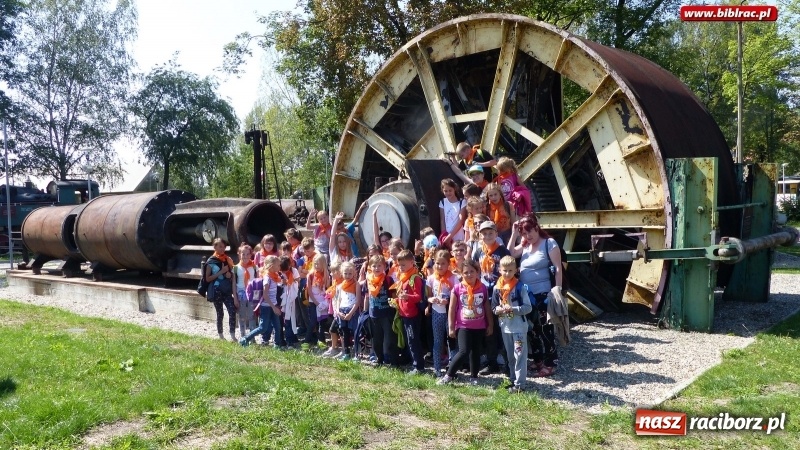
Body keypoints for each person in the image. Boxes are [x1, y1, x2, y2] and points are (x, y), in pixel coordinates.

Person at [507, 213, 562, 377]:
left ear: (537, 228)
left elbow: (558, 268)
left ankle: (550, 363)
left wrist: (557, 289)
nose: (527, 236)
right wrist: (514, 233)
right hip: (527, 295)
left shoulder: (549, 243)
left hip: (544, 293)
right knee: (532, 329)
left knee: (546, 329)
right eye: (524, 233)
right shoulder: (524, 245)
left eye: (529, 231)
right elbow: (509, 254)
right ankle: (538, 360)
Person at [437, 259, 493, 385]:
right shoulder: (457, 288)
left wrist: (490, 324)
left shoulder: (482, 288)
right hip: (463, 326)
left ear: (477, 272)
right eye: (466, 272)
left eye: (472, 271)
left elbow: (487, 307)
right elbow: (451, 309)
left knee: (476, 351)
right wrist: (451, 327)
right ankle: (449, 375)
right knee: (463, 351)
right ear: (461, 274)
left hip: (479, 326)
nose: (469, 275)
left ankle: (474, 376)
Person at [472, 220, 511, 375]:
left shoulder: (503, 252)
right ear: (480, 236)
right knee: (490, 330)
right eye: (484, 233)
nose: (487, 236)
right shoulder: (478, 252)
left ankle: (508, 363)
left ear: (496, 234)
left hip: (500, 294)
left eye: (490, 233)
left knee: (504, 330)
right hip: (484, 293)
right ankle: (492, 362)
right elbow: (475, 272)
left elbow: (509, 273)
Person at [491, 256, 533, 393]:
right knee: (510, 355)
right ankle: (513, 380)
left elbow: (528, 307)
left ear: (516, 270)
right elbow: (493, 307)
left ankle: (520, 385)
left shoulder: (520, 287)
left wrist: (513, 309)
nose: (507, 273)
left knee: (519, 355)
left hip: (519, 327)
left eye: (510, 270)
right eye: (504, 270)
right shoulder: (497, 288)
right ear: (499, 270)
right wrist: (497, 310)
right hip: (505, 327)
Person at [427, 249, 458, 377]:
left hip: (449, 313)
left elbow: (457, 296)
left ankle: (452, 369)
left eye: (443, 264)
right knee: (438, 341)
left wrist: (448, 300)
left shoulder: (454, 278)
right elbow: (428, 296)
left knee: (451, 339)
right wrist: (431, 299)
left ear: (448, 264)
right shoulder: (431, 278)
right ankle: (437, 368)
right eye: (438, 263)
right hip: (436, 312)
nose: (440, 266)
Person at [240, 255, 283, 347]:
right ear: (271, 266)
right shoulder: (267, 278)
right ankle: (246, 338)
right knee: (263, 328)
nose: (279, 267)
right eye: (278, 265)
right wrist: (274, 307)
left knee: (277, 326)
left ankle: (277, 344)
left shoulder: (275, 276)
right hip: (266, 307)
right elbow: (265, 295)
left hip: (273, 305)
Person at [393, 250, 425, 374]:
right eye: (399, 265)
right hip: (404, 313)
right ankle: (412, 362)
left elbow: (418, 297)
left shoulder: (414, 278)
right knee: (408, 340)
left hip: (412, 315)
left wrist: (408, 297)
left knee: (413, 340)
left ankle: (419, 367)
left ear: (412, 262)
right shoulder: (403, 277)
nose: (401, 267)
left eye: (404, 265)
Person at [362, 254, 396, 366]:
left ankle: (390, 359)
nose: (377, 268)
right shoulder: (369, 280)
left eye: (379, 266)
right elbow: (367, 296)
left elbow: (394, 294)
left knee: (389, 338)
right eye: (374, 266)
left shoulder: (388, 280)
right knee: (376, 339)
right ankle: (379, 358)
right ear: (370, 267)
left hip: (386, 314)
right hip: (374, 314)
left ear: (384, 267)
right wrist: (364, 310)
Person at [205, 238, 237, 341]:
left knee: (232, 311)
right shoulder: (211, 261)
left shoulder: (228, 259)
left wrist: (229, 275)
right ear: (215, 247)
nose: (222, 249)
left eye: (224, 247)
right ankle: (221, 335)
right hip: (217, 289)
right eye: (220, 246)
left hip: (227, 290)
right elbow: (207, 278)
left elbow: (233, 275)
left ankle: (232, 334)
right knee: (220, 313)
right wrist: (221, 272)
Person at [332, 261, 361, 360]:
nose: (348, 276)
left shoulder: (356, 284)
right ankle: (347, 353)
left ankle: (357, 353)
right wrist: (338, 311)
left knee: (354, 332)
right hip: (342, 310)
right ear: (342, 273)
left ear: (354, 273)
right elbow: (338, 300)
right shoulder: (340, 286)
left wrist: (350, 313)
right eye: (345, 273)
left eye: (350, 273)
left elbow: (357, 301)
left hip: (352, 311)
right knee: (344, 332)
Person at [305, 253, 330, 348]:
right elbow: (309, 291)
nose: (316, 266)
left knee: (322, 321)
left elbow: (327, 288)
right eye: (315, 264)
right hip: (313, 302)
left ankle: (321, 340)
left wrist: (324, 302)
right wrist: (316, 303)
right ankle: (307, 341)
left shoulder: (326, 275)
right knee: (313, 321)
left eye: (318, 264)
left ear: (323, 264)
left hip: (322, 302)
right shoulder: (310, 275)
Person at [234, 244, 257, 337]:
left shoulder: (254, 267)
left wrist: (257, 298)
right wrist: (235, 297)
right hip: (241, 293)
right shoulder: (235, 268)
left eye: (248, 254)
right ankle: (243, 335)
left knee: (252, 316)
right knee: (242, 315)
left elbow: (257, 282)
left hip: (252, 293)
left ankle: (252, 336)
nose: (245, 256)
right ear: (239, 254)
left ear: (251, 255)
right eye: (243, 254)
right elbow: (233, 284)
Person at [322, 261, 344, 357]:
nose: (331, 274)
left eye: (333, 272)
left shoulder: (343, 284)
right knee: (333, 330)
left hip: (341, 311)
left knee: (340, 331)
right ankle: (334, 348)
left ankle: (344, 350)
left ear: (339, 272)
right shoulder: (335, 283)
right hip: (335, 311)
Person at [439, 178, 466, 247]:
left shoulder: (462, 202)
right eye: (445, 191)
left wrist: (450, 236)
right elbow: (443, 220)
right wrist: (444, 235)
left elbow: (461, 220)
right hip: (447, 234)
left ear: (455, 189)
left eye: (450, 190)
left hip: (458, 235)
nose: (448, 193)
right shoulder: (442, 202)